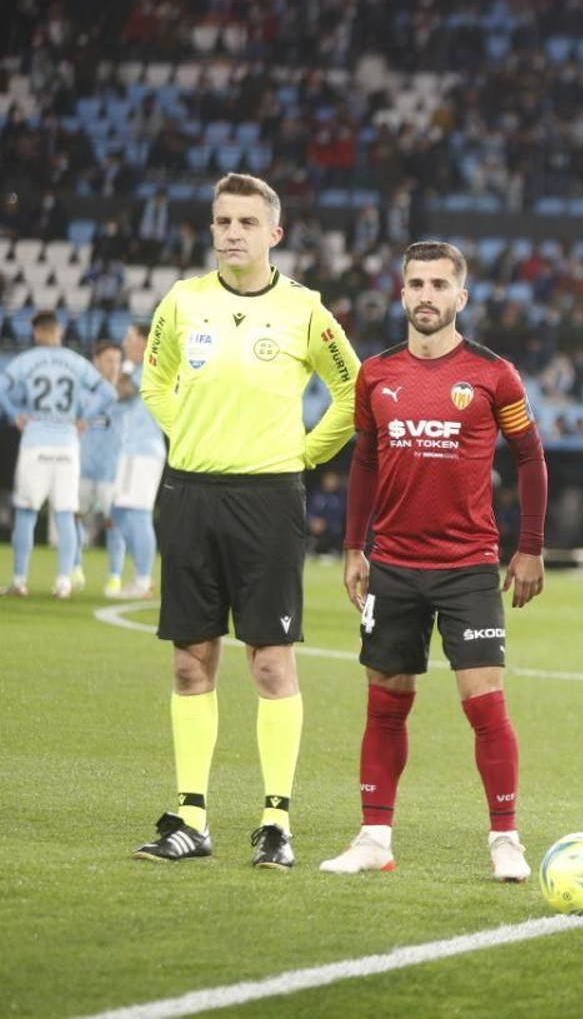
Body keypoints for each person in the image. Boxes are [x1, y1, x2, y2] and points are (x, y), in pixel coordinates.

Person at [134, 173, 360, 869]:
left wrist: (301, 453)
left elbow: (352, 390)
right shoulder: (183, 302)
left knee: (269, 662)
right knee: (188, 661)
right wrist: (190, 435)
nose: (232, 232)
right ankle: (191, 818)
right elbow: (154, 381)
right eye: (222, 221)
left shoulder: (305, 310)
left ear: (274, 233)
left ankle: (275, 822)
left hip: (268, 499)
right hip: (190, 494)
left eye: (245, 222)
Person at [319, 241, 548, 882]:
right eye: (415, 284)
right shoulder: (375, 374)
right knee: (385, 704)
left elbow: (531, 458)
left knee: (485, 705)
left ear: (460, 297)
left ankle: (506, 839)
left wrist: (529, 547)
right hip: (391, 564)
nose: (426, 295)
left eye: (439, 285)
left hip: (470, 566)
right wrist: (353, 547)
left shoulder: (493, 374)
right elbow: (364, 461)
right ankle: (373, 838)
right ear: (402, 294)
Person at [0, 312, 115, 598]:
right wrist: (84, 418)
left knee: (26, 513)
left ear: (37, 332)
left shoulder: (26, 360)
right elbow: (108, 393)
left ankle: (19, 580)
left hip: (36, 441)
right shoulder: (76, 362)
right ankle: (63, 581)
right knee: (65, 514)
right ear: (58, 331)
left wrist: (14, 414)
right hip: (66, 442)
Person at [106, 322, 165, 599]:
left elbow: (120, 392)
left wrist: (125, 367)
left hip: (143, 450)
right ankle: (141, 575)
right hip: (133, 450)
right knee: (118, 512)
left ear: (143, 342)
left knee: (137, 514)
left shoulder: (148, 368)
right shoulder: (142, 368)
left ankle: (143, 580)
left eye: (129, 337)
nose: (124, 342)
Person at [73, 340, 125, 592]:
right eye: (108, 360)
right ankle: (74, 570)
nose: (114, 366)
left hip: (111, 471)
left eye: (117, 361)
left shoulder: (126, 394)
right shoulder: (83, 393)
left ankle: (115, 576)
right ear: (96, 362)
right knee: (75, 519)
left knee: (114, 522)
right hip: (82, 468)